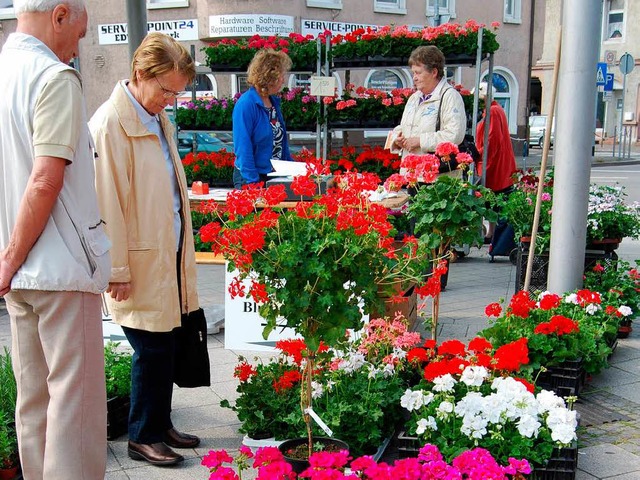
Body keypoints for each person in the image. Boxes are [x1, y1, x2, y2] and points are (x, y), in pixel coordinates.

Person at [0, 1, 112, 478]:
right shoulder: (54, 78)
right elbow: (45, 180)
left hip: (21, 266)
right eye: (80, 32)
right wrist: (10, 258)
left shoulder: (5, 72)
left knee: (35, 402)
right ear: (60, 15)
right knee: (75, 409)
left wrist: (7, 259)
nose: (79, 44)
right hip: (58, 266)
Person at [89, 32, 201, 467]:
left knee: (168, 341)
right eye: (166, 89)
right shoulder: (109, 124)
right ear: (140, 74)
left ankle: (160, 421)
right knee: (150, 348)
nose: (170, 100)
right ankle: (142, 435)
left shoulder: (156, 117)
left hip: (165, 252)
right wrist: (115, 268)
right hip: (136, 258)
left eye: (177, 92)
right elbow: (106, 201)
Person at [389, 45, 466, 163]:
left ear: (434, 72)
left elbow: (454, 135)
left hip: (437, 175)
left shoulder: (450, 96)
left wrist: (420, 141)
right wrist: (397, 138)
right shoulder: (414, 98)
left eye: (418, 73)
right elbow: (404, 127)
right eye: (413, 73)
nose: (414, 78)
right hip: (411, 173)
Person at [232, 48, 294, 188]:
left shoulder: (274, 102)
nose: (283, 80)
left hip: (274, 175)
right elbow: (243, 147)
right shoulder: (246, 104)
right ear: (269, 77)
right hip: (251, 177)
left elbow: (280, 143)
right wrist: (253, 183)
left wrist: (291, 172)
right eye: (281, 75)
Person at [474, 82, 517, 240]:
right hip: (499, 162)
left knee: (493, 199)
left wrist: (479, 156)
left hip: (495, 164)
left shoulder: (492, 111)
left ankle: (493, 234)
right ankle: (492, 232)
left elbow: (491, 140)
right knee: (493, 200)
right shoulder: (495, 110)